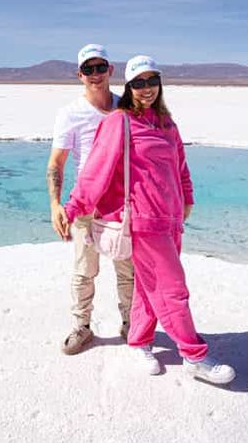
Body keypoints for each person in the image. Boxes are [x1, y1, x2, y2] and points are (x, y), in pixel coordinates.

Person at [63, 55, 236, 384]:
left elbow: (180, 166)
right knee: (173, 290)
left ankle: (138, 341)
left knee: (147, 287)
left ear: (159, 83)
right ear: (128, 87)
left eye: (151, 80)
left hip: (170, 220)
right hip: (143, 222)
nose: (146, 89)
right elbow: (95, 171)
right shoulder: (120, 121)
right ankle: (194, 355)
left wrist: (187, 198)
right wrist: (73, 208)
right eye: (138, 83)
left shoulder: (167, 123)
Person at [47, 44, 135, 355]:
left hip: (122, 205)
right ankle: (81, 327)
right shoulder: (70, 114)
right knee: (84, 270)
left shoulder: (129, 106)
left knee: (127, 270)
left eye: (100, 68)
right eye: (88, 69)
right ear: (79, 75)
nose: (95, 74)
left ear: (111, 70)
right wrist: (56, 204)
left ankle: (130, 324)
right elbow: (56, 163)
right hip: (86, 206)